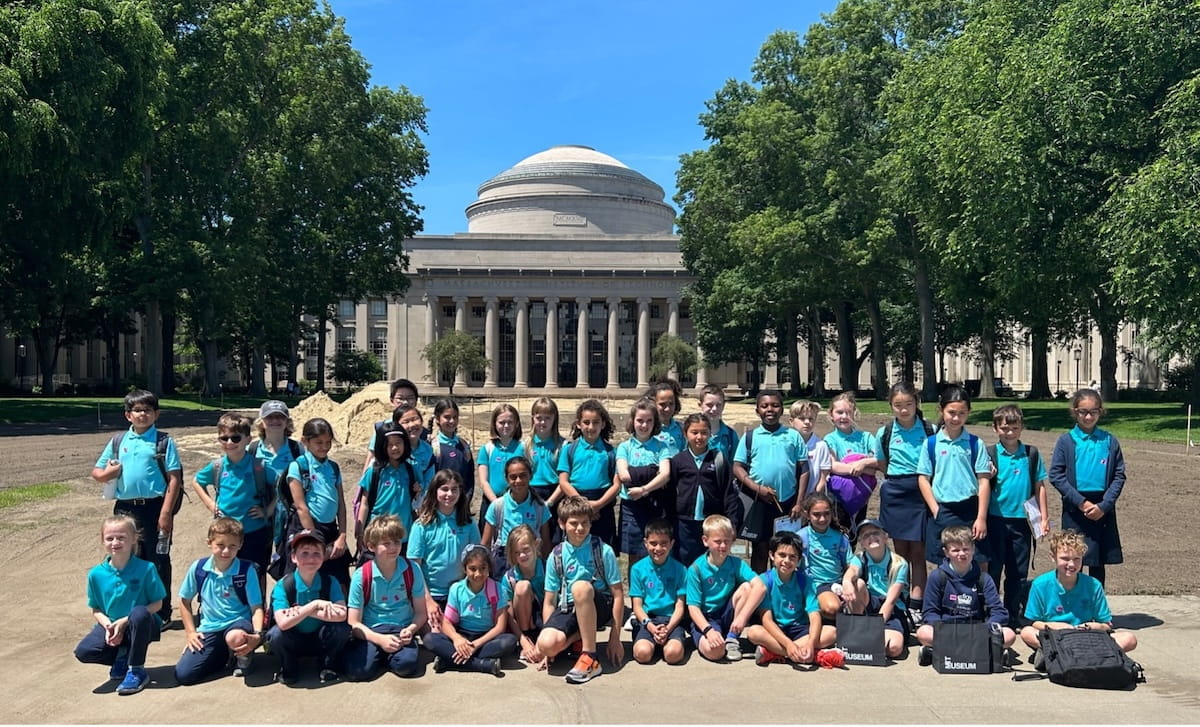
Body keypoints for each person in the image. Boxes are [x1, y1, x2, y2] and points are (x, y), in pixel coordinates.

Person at [91, 389, 183, 627]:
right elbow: (97, 473)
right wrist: (108, 474)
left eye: (147, 410)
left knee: (157, 558)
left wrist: (166, 513)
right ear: (128, 415)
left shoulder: (163, 441)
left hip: (155, 508)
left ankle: (161, 612)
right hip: (125, 509)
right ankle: (126, 609)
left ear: (156, 414)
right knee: (123, 556)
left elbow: (174, 479)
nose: (142, 414)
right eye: (137, 410)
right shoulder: (118, 441)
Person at [537, 495, 625, 684]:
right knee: (545, 644)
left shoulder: (603, 550)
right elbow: (549, 601)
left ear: (591, 523)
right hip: (570, 606)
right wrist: (548, 633)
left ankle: (590, 657)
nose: (579, 528)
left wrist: (615, 636)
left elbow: (618, 595)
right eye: (574, 523)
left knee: (580, 588)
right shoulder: (557, 555)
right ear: (562, 524)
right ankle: (576, 640)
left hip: (599, 604)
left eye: (584, 523)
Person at [74, 514, 166, 695]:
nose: (115, 542)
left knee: (139, 613)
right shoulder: (96, 574)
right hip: (112, 625)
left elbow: (158, 604)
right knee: (84, 652)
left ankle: (136, 669)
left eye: (121, 537)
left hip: (141, 625)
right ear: (103, 541)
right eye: (110, 538)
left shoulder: (146, 569)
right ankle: (121, 656)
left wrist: (125, 621)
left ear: (134, 539)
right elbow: (96, 608)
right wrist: (108, 625)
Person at [1049, 388, 1126, 587]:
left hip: (1102, 507)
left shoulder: (1109, 441)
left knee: (1098, 562)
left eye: (1094, 411)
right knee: (1072, 559)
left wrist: (1104, 505)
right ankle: (1072, 606)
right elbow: (1056, 475)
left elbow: (1119, 475)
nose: (1089, 416)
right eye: (1083, 412)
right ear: (1075, 411)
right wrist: (1081, 503)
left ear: (1101, 412)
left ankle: (1096, 608)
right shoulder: (1066, 441)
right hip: (1076, 508)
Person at [1019, 529, 1137, 660]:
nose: (1071, 564)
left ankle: (1057, 656)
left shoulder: (1093, 585)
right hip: (1054, 636)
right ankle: (1083, 656)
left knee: (1129, 639)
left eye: (1077, 559)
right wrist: (1053, 626)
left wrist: (1092, 627)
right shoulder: (1040, 584)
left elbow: (1106, 624)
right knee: (1026, 633)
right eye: (1065, 559)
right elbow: (1034, 622)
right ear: (1052, 557)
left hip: (1086, 637)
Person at [174, 517, 265, 685]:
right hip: (209, 627)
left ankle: (243, 657)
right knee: (184, 675)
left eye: (232, 546)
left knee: (235, 637)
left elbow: (256, 607)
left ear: (240, 545)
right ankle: (223, 655)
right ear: (209, 543)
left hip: (238, 623)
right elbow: (184, 601)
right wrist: (191, 633)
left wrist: (258, 634)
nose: (226, 551)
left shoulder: (246, 570)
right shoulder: (199, 568)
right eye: (220, 545)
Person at [192, 413, 273, 593]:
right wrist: (211, 505)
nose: (229, 442)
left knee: (256, 571)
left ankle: (258, 611)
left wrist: (267, 510)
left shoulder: (259, 465)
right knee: (226, 570)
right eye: (224, 438)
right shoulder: (217, 466)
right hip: (225, 532)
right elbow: (197, 481)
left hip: (254, 530)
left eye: (235, 438)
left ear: (247, 439)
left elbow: (280, 487)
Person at [873, 381, 936, 612]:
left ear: (916, 403)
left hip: (921, 490)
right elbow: (882, 463)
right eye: (898, 405)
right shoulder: (885, 432)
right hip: (895, 492)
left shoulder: (930, 429)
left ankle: (917, 605)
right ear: (891, 405)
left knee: (918, 550)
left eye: (909, 404)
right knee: (900, 551)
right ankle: (900, 598)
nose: (904, 409)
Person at [986, 404, 1050, 626]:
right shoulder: (990, 454)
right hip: (995, 520)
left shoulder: (1030, 454)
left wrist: (1044, 517)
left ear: (1021, 427)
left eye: (1014, 427)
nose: (1009, 432)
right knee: (994, 569)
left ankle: (1012, 612)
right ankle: (994, 612)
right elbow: (982, 485)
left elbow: (1040, 485)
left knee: (1017, 571)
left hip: (1022, 522)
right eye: (1004, 428)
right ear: (995, 429)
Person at [733, 389, 809, 572]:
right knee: (760, 549)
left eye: (775, 405)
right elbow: (737, 467)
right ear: (757, 410)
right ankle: (759, 590)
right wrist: (757, 488)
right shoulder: (750, 437)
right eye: (764, 406)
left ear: (782, 410)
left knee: (785, 550)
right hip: (759, 501)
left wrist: (799, 503)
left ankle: (782, 588)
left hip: (787, 503)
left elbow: (804, 470)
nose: (770, 409)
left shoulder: (793, 436)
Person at [344, 515, 428, 680]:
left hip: (401, 628)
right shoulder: (362, 575)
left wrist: (410, 630)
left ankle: (385, 656)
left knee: (406, 667)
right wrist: (380, 640)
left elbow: (421, 613)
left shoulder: (412, 570)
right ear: (371, 546)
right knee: (360, 672)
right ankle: (377, 654)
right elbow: (353, 622)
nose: (393, 548)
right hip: (371, 631)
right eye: (386, 543)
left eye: (397, 542)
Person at [916, 526, 1014, 666]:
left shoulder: (983, 578)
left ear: (973, 550)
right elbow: (929, 612)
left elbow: (998, 611)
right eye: (955, 550)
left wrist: (986, 628)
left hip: (977, 630)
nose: (962, 554)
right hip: (947, 629)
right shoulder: (937, 577)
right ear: (946, 552)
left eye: (966, 549)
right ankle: (988, 653)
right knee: (924, 633)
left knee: (1008, 635)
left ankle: (940, 652)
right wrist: (943, 628)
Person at [917, 385, 992, 566]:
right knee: (944, 564)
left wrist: (981, 517)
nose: (956, 418)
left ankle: (978, 595)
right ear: (941, 410)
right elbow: (923, 479)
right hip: (944, 510)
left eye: (962, 413)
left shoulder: (975, 443)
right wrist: (935, 510)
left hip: (970, 510)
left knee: (978, 562)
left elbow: (983, 481)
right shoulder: (931, 444)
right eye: (951, 412)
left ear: (968, 413)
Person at [267, 529, 351, 685]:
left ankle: (327, 664)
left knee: (341, 629)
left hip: (321, 638)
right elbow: (283, 623)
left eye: (316, 553)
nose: (310, 558)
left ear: (323, 556)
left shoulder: (330, 581)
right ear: (293, 557)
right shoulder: (284, 585)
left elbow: (341, 614)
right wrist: (315, 605)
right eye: (304, 553)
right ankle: (289, 665)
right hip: (294, 639)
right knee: (276, 634)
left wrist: (303, 611)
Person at [425, 545, 518, 675]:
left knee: (509, 641)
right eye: (472, 569)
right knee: (430, 639)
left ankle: (448, 661)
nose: (478, 574)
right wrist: (457, 639)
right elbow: (446, 623)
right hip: (463, 635)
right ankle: (482, 664)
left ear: (489, 568)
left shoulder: (497, 589)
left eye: (483, 568)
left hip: (486, 638)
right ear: (465, 569)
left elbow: (500, 627)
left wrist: (474, 645)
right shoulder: (456, 589)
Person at [408, 469, 479, 632]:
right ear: (435, 491)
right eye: (444, 489)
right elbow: (415, 567)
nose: (450, 494)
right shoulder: (421, 525)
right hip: (432, 594)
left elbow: (476, 559)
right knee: (436, 636)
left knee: (469, 630)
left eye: (455, 489)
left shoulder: (468, 523)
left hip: (461, 592)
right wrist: (428, 601)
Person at [285, 418, 352, 592]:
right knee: (305, 579)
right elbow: (301, 506)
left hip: (331, 530)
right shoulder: (298, 467)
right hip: (307, 529)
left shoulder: (333, 468)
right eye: (319, 442)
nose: (324, 447)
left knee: (341, 580)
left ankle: (342, 617)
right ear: (305, 441)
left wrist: (342, 536)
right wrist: (315, 541)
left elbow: (341, 505)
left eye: (328, 442)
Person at [667, 413, 741, 567]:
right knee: (684, 561)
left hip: (711, 522)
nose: (699, 437)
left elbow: (729, 493)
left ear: (710, 434)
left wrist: (732, 522)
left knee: (709, 562)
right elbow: (669, 492)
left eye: (704, 432)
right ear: (685, 433)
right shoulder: (678, 461)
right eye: (694, 432)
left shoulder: (718, 459)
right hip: (684, 523)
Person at [743, 530, 827, 666]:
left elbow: (814, 616)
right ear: (772, 555)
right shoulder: (765, 580)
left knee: (831, 633)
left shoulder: (806, 581)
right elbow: (767, 620)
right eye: (782, 555)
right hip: (777, 629)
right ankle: (800, 653)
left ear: (799, 560)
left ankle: (774, 653)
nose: (787, 561)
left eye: (792, 557)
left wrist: (811, 643)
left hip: (800, 629)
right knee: (754, 633)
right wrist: (788, 645)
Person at [685, 514, 761, 663]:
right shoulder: (696, 569)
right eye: (718, 542)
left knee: (747, 587)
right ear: (705, 541)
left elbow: (760, 587)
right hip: (706, 618)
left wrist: (742, 618)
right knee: (715, 652)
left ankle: (732, 640)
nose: (723, 546)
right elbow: (693, 608)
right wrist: (708, 630)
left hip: (727, 614)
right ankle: (713, 639)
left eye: (727, 541)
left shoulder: (736, 563)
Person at [839, 519, 909, 659]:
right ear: (862, 543)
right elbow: (852, 570)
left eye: (876, 533)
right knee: (857, 583)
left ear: (885, 536)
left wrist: (874, 631)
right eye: (866, 536)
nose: (871, 537)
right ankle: (857, 628)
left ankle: (867, 637)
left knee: (894, 649)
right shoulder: (859, 558)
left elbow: (891, 601)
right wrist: (846, 582)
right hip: (868, 604)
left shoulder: (899, 564)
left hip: (892, 609)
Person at [556, 399, 620, 548]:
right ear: (578, 424)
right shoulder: (569, 449)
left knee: (603, 551)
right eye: (586, 422)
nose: (591, 427)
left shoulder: (611, 452)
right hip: (575, 504)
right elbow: (564, 482)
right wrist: (583, 505)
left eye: (596, 422)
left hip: (602, 506)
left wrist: (597, 505)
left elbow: (616, 484)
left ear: (603, 424)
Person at [616, 398, 671, 569]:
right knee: (635, 555)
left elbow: (666, 474)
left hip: (654, 505)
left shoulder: (661, 446)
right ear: (633, 421)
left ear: (655, 423)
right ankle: (636, 595)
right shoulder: (624, 447)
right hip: (631, 507)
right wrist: (651, 471)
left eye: (649, 421)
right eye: (640, 420)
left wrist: (644, 489)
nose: (644, 425)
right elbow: (624, 475)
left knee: (657, 550)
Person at [353, 423, 418, 559]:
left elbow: (416, 501)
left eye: (398, 443)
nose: (395, 448)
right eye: (390, 444)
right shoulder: (374, 472)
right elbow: (365, 503)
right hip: (379, 536)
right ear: (382, 446)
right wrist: (360, 533)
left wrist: (418, 490)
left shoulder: (411, 470)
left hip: (403, 536)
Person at [629, 520, 688, 665]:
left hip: (671, 621)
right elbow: (637, 606)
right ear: (645, 543)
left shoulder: (681, 570)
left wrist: (667, 629)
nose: (658, 548)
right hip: (648, 619)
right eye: (653, 543)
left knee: (673, 655)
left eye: (663, 543)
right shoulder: (637, 569)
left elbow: (680, 607)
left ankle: (668, 643)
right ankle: (652, 643)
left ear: (671, 543)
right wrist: (651, 627)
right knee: (642, 654)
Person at [824, 392, 881, 535]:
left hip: (861, 495)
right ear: (831, 414)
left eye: (848, 412)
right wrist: (858, 469)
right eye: (839, 412)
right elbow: (833, 466)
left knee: (856, 532)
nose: (844, 416)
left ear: (854, 413)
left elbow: (878, 461)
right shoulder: (830, 439)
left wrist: (863, 463)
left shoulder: (865, 437)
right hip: (838, 497)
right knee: (839, 531)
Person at [481, 456, 551, 572]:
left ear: (530, 476)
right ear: (507, 479)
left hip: (531, 561)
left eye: (523, 475)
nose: (518, 481)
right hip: (503, 562)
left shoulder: (540, 507)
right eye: (513, 477)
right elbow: (486, 543)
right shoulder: (497, 506)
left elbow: (546, 543)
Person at [798, 492, 854, 622]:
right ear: (807, 514)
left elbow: (850, 563)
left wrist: (848, 581)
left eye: (826, 513)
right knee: (831, 608)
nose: (822, 519)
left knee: (860, 588)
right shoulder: (801, 538)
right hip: (817, 584)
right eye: (816, 514)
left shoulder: (840, 537)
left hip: (839, 582)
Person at [502, 524, 546, 667]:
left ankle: (542, 640)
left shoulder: (548, 569)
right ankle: (527, 638)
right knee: (522, 586)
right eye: (516, 552)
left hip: (545, 619)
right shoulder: (509, 578)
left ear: (536, 545)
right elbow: (507, 614)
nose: (522, 555)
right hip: (522, 623)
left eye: (526, 550)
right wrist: (522, 640)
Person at [477, 404, 526, 527]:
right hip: (491, 502)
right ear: (494, 424)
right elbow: (483, 482)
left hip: (517, 503)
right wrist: (496, 503)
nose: (506, 426)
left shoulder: (524, 448)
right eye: (501, 422)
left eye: (510, 422)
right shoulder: (487, 449)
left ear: (516, 424)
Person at [362, 379, 424, 475]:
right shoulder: (384, 428)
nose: (405, 402)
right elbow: (371, 457)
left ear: (416, 401)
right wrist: (362, 487)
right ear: (392, 400)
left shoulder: (419, 429)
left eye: (410, 398)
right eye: (400, 398)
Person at [526, 396, 566, 543]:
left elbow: (564, 480)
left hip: (555, 494)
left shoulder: (563, 446)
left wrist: (550, 502)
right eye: (539, 418)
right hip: (531, 494)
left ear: (554, 419)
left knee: (554, 539)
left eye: (547, 418)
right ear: (533, 419)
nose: (543, 422)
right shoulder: (525, 445)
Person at [250, 400, 304, 497]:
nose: (275, 420)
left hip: (290, 509)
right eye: (269, 417)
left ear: (287, 422)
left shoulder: (298, 449)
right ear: (261, 422)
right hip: (261, 508)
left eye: (280, 416)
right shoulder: (251, 450)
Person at [429, 398, 475, 505]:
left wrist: (466, 501)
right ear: (437, 419)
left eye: (455, 417)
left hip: (461, 504)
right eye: (447, 417)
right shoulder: (432, 447)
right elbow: (430, 480)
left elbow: (469, 477)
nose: (452, 421)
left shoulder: (464, 446)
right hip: (439, 504)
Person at [395, 404, 436, 507]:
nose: (412, 424)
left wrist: (421, 487)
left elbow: (430, 478)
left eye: (415, 419)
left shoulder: (428, 450)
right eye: (406, 422)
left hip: (419, 503)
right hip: (395, 500)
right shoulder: (394, 449)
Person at [789, 400, 831, 496]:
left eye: (811, 419)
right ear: (791, 421)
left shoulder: (821, 445)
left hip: (813, 496)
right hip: (790, 495)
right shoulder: (787, 444)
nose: (807, 422)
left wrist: (817, 491)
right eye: (802, 419)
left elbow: (824, 473)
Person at [699, 384, 739, 461]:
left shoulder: (730, 435)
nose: (714, 409)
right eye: (709, 405)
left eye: (718, 405)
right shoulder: (690, 432)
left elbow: (734, 464)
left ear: (723, 406)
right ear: (700, 405)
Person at [646, 379, 685, 457]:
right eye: (662, 404)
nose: (667, 409)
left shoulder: (681, 429)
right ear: (653, 404)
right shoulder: (647, 429)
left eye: (671, 404)